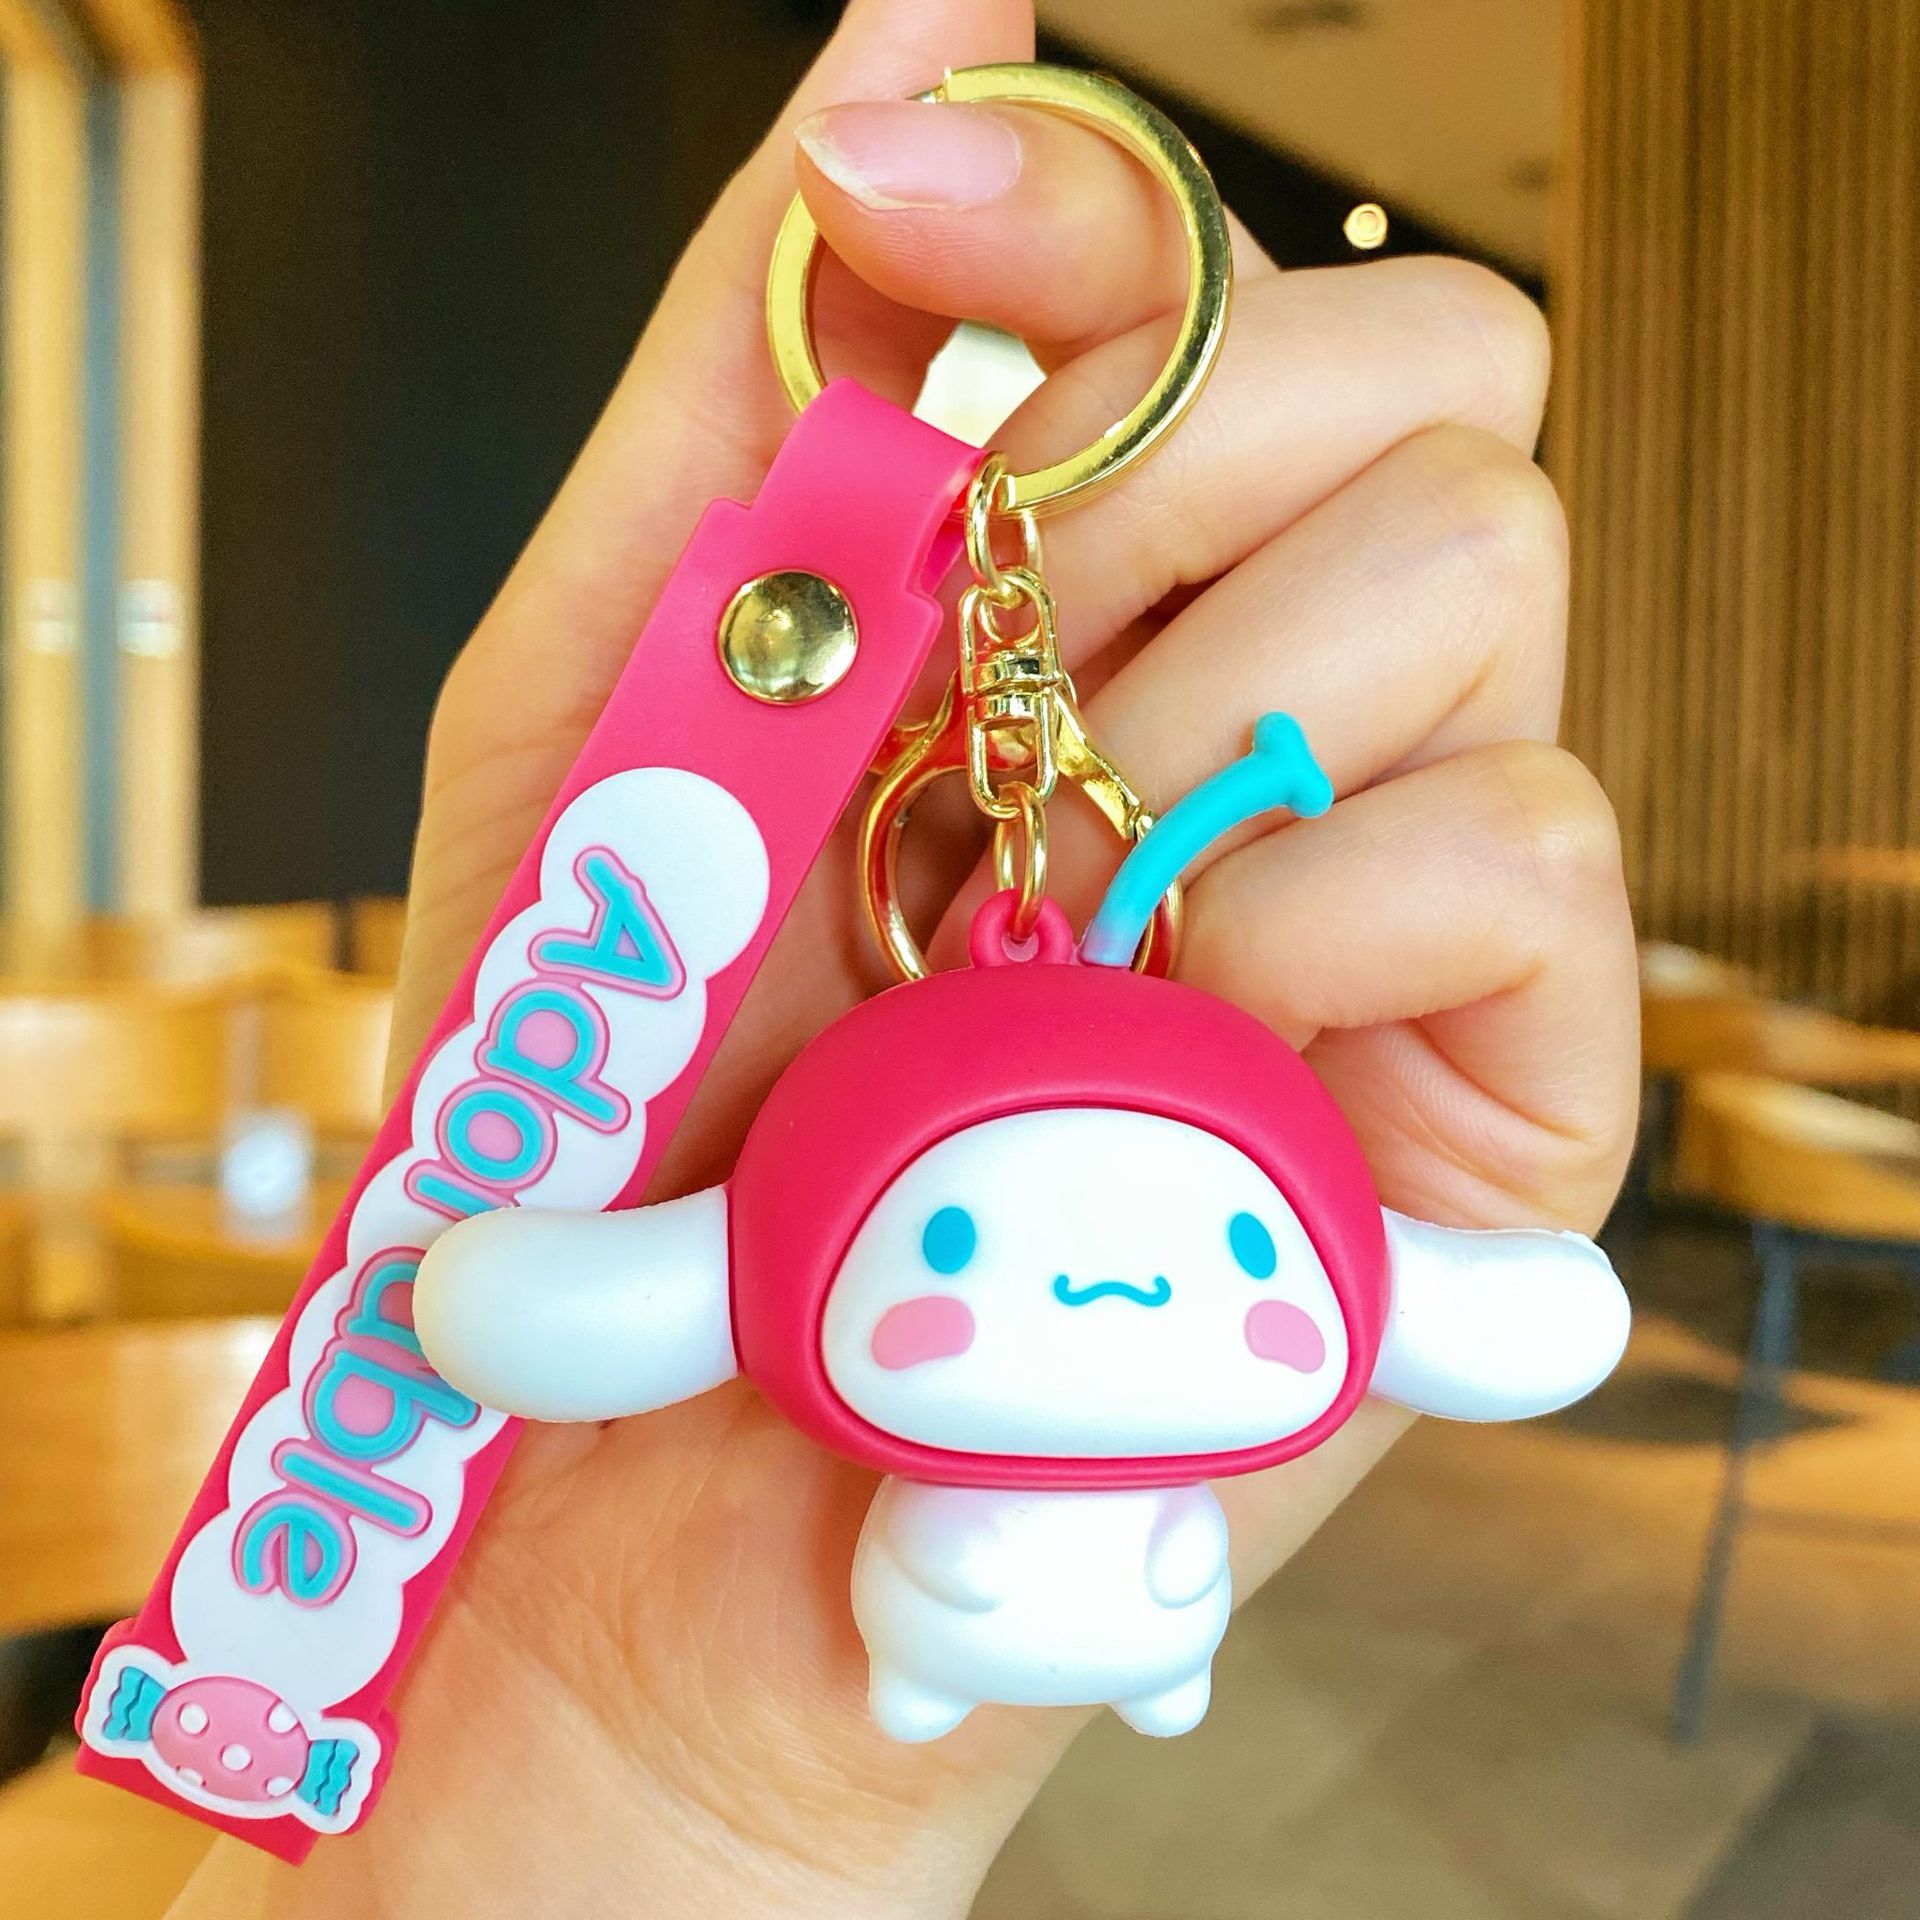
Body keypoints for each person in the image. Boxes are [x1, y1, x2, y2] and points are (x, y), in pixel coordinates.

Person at [169, 0, 1636, 1911]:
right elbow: (610, 1296)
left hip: (1054, 1604)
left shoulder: (859, 1272)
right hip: (883, 1613)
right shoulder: (798, 1253)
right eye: (930, 1246)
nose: (1114, 1295)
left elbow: (610, 1296)